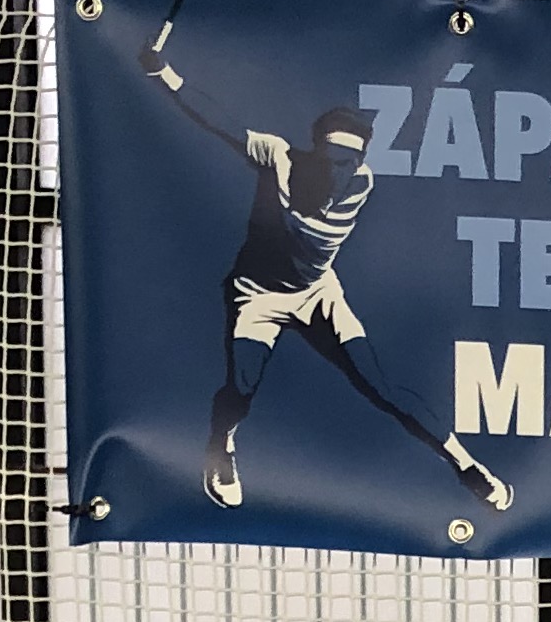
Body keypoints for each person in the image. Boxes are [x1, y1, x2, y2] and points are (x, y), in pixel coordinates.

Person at [137, 43, 509, 516]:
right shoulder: (278, 156)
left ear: (360, 161)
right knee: (242, 386)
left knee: (382, 386)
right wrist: (165, 75)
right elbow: (220, 121)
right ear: (316, 152)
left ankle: (466, 466)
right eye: (329, 159)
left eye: (346, 163)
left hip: (317, 292)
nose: (337, 172)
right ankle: (221, 444)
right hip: (258, 295)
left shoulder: (364, 181)